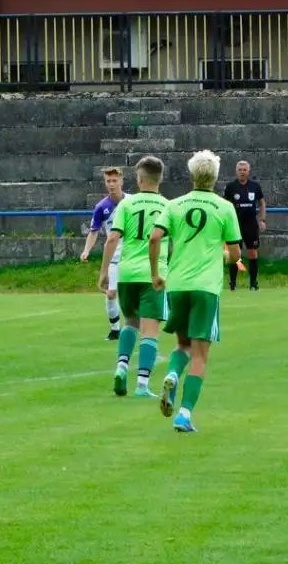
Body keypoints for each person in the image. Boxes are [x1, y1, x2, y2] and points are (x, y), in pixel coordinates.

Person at [150, 150, 241, 432]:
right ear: (214, 176)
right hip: (206, 287)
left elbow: (154, 237)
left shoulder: (175, 205)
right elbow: (236, 252)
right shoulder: (224, 207)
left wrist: (156, 273)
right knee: (200, 354)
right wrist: (225, 257)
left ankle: (173, 373)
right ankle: (185, 414)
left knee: (183, 345)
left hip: (177, 284)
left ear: (191, 175)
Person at [98, 156, 169, 398]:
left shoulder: (126, 206)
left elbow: (112, 238)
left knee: (130, 322)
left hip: (126, 272)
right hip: (153, 275)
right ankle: (141, 385)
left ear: (139, 179)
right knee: (150, 330)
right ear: (160, 179)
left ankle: (121, 367)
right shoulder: (167, 206)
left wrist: (104, 272)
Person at [81, 167, 127, 340]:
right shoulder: (102, 207)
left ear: (121, 181)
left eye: (115, 180)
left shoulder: (132, 202)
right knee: (111, 293)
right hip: (114, 258)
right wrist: (86, 250)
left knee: (134, 294)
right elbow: (94, 231)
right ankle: (115, 329)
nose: (112, 184)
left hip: (133, 256)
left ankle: (139, 329)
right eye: (108, 181)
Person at [223, 160, 265, 291]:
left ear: (248, 171)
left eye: (244, 170)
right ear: (236, 171)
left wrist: (262, 220)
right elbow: (224, 205)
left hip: (251, 224)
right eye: (240, 170)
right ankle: (233, 284)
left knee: (253, 253)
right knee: (235, 255)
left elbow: (262, 203)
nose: (242, 172)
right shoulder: (230, 187)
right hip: (236, 224)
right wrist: (225, 222)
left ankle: (253, 284)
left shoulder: (255, 186)